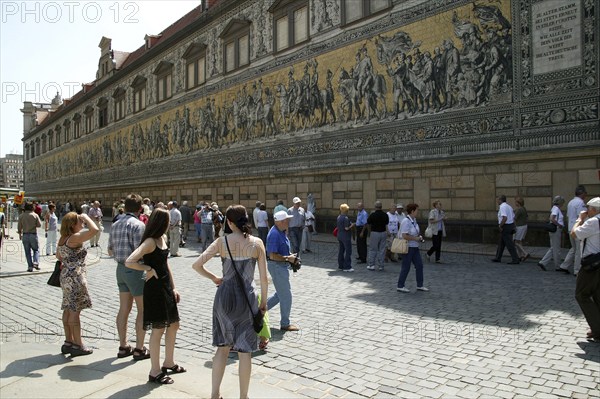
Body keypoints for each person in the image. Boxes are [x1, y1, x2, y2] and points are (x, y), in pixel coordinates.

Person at [192, 205, 268, 399]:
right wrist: (263, 303)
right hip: (247, 298)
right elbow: (263, 278)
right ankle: (244, 396)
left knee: (222, 348)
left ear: (230, 222)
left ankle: (215, 394)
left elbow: (197, 265)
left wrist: (214, 278)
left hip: (224, 296)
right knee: (245, 352)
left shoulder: (221, 242)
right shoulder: (257, 243)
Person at [125, 208, 184, 384]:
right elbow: (130, 261)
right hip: (154, 289)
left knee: (174, 324)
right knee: (158, 329)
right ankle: (155, 371)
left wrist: (174, 287)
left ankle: (169, 361)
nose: (169, 225)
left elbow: (166, 265)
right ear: (161, 223)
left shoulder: (162, 239)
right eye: (167, 222)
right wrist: (148, 269)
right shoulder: (150, 241)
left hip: (165, 287)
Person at [107, 194, 150, 361]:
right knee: (142, 309)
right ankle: (139, 348)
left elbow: (109, 250)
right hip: (136, 270)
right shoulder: (138, 225)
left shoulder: (116, 224)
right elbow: (142, 251)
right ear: (140, 209)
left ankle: (123, 345)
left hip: (120, 268)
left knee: (124, 308)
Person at [57, 211, 99, 356]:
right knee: (75, 312)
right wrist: (86, 217)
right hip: (76, 277)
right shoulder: (75, 237)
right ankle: (78, 344)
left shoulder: (63, 238)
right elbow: (95, 230)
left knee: (67, 309)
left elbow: (59, 256)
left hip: (65, 276)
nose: (82, 224)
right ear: (73, 224)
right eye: (79, 222)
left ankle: (68, 342)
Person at [266, 210, 300, 331]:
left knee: (279, 295)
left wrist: (291, 256)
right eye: (286, 220)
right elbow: (272, 255)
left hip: (280, 266)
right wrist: (288, 258)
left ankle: (257, 312)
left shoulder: (281, 231)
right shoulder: (274, 234)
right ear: (280, 222)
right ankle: (285, 324)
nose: (288, 222)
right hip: (277, 266)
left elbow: (281, 251)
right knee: (286, 295)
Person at [572, 197, 600, 342]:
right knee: (597, 295)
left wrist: (579, 219)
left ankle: (597, 328)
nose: (586, 210)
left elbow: (574, 233)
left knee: (581, 295)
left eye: (588, 208)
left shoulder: (593, 221)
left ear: (594, 210)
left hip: (592, 264)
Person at [396, 203, 428, 293]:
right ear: (412, 211)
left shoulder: (414, 220)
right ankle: (400, 285)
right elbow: (404, 235)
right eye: (417, 210)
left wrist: (419, 237)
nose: (418, 212)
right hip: (408, 247)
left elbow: (414, 232)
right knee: (406, 267)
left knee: (419, 265)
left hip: (415, 247)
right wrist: (416, 238)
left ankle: (420, 285)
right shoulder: (406, 221)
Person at [558, 185, 587, 275]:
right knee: (578, 250)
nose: (586, 195)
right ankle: (577, 270)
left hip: (571, 228)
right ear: (582, 194)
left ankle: (564, 265)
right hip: (578, 229)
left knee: (573, 249)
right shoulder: (581, 203)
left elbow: (568, 216)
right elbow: (581, 217)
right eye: (585, 193)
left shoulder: (570, 202)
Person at [538, 196, 565, 271]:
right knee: (556, 249)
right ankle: (557, 265)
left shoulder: (554, 208)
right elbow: (552, 219)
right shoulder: (556, 209)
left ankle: (543, 262)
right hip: (556, 230)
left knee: (553, 248)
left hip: (554, 230)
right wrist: (559, 225)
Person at [491, 195, 520, 264]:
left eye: (498, 200)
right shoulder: (509, 206)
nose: (497, 201)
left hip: (506, 226)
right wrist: (514, 226)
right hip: (510, 225)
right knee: (501, 243)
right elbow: (513, 217)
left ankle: (515, 259)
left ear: (500, 200)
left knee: (509, 244)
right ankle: (498, 257)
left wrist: (500, 226)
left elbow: (505, 218)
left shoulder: (502, 207)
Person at [17, 202, 42, 272]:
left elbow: (19, 227)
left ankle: (30, 267)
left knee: (27, 252)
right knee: (36, 250)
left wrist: (19, 234)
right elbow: (39, 225)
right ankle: (36, 262)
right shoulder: (35, 215)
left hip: (25, 235)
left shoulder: (21, 216)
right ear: (32, 207)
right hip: (33, 234)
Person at [366, 201, 389, 271]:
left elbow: (368, 222)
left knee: (373, 249)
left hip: (375, 233)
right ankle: (381, 265)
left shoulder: (373, 215)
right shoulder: (385, 215)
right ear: (381, 207)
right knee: (382, 250)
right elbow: (387, 223)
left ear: (375, 207)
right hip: (383, 232)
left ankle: (372, 265)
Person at [337, 204, 355, 272]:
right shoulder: (346, 218)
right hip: (346, 236)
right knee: (348, 251)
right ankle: (347, 266)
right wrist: (352, 225)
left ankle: (340, 266)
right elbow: (346, 228)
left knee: (341, 251)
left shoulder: (338, 217)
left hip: (339, 235)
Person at [513, 197, 530, 262]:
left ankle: (525, 253)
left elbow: (514, 218)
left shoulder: (519, 209)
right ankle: (520, 256)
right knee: (519, 242)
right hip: (524, 226)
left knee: (516, 242)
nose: (515, 203)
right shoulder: (524, 208)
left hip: (520, 226)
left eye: (516, 202)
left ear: (518, 203)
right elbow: (527, 217)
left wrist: (514, 226)